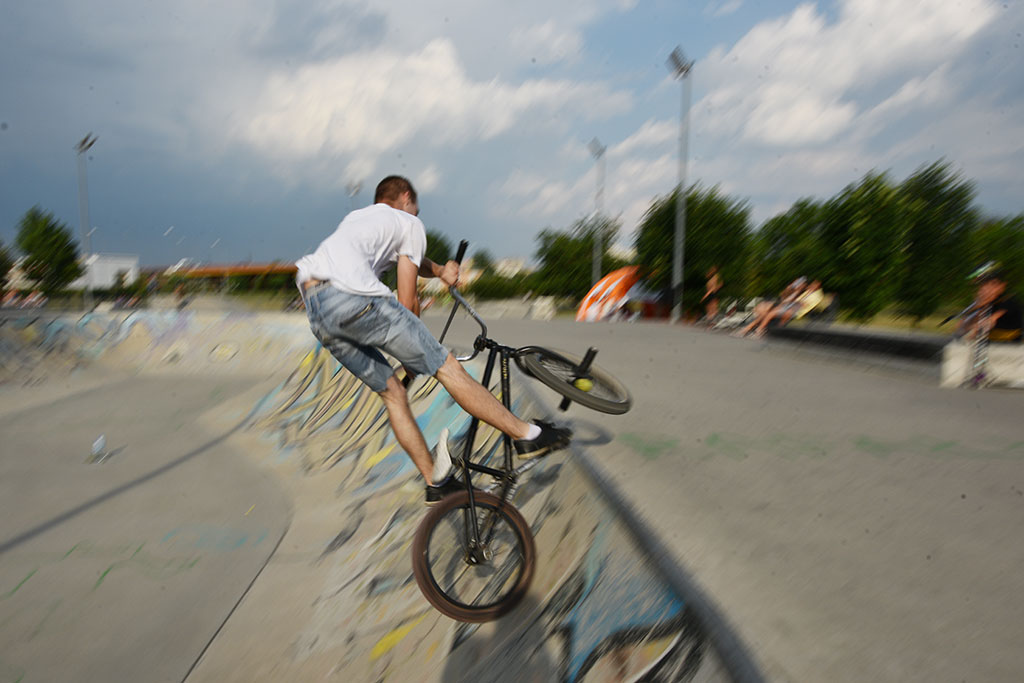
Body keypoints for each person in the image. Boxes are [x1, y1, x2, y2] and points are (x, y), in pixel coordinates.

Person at [295, 176, 571, 504]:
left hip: (316, 309)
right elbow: (407, 300)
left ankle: (435, 482)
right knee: (446, 366)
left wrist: (439, 270)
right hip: (352, 298)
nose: (417, 213)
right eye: (417, 207)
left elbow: (410, 260)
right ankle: (527, 436)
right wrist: (418, 355)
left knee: (393, 394)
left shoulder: (358, 220)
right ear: (406, 198)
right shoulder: (409, 221)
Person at [966, 268, 1022, 343]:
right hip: (991, 345)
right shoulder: (982, 304)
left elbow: (990, 322)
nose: (987, 289)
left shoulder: (1008, 301)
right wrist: (980, 306)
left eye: (993, 284)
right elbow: (964, 326)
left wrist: (973, 332)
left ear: (1002, 286)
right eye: (983, 285)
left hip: (1012, 347)